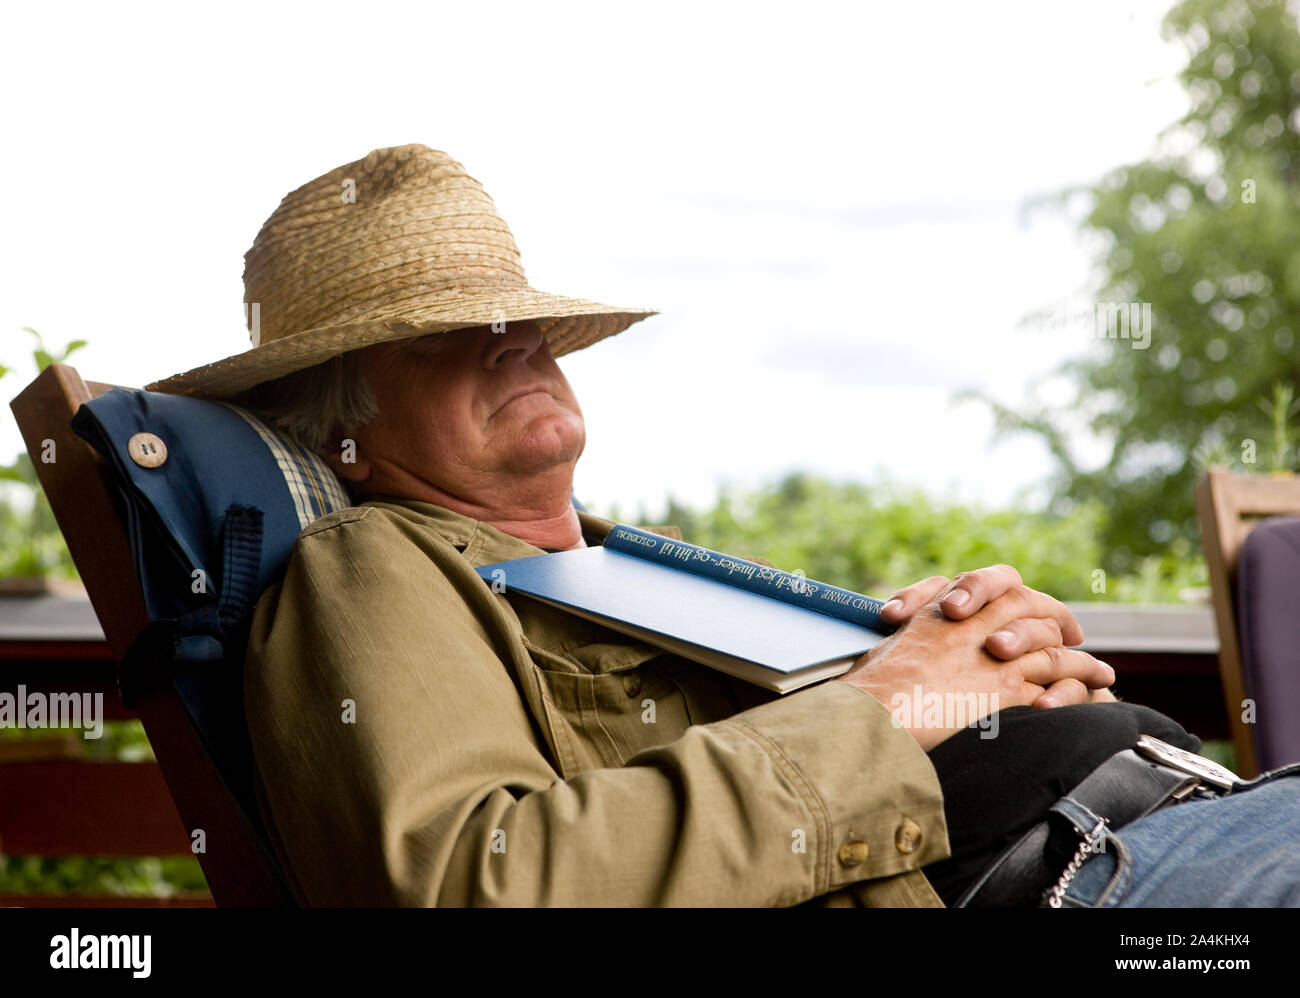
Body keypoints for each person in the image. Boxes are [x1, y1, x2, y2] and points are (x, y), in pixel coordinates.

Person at [145, 144, 1300, 907]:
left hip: (1183, 818)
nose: (514, 340)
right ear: (337, 421)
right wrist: (895, 705)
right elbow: (472, 879)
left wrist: (978, 654)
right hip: (1086, 879)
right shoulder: (376, 568)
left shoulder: (619, 563)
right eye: (444, 332)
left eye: (526, 324)